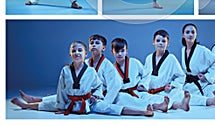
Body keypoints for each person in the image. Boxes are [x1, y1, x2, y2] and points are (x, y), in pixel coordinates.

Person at [10, 40, 155, 117]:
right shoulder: (68, 69)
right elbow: (62, 89)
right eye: (74, 50)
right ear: (70, 54)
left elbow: (106, 85)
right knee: (53, 101)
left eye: (80, 50)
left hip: (91, 100)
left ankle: (144, 112)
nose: (77, 53)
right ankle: (30, 103)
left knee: (111, 108)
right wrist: (62, 105)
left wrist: (97, 96)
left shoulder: (95, 68)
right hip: (71, 99)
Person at [111, 37, 170, 112]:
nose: (120, 54)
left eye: (122, 51)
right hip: (124, 94)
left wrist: (143, 84)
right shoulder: (111, 69)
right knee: (122, 98)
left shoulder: (134, 62)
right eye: (117, 51)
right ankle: (156, 106)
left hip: (136, 91)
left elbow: (146, 74)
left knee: (155, 97)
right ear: (112, 52)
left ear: (126, 51)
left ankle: (169, 104)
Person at [139, 29, 191, 111]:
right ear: (153, 42)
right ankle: (179, 105)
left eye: (163, 41)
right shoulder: (149, 58)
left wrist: (172, 85)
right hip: (151, 91)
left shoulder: (171, 58)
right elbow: (146, 75)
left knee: (175, 94)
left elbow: (181, 76)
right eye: (158, 40)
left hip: (165, 90)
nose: (160, 43)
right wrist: (143, 85)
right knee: (143, 97)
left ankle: (181, 104)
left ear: (168, 44)